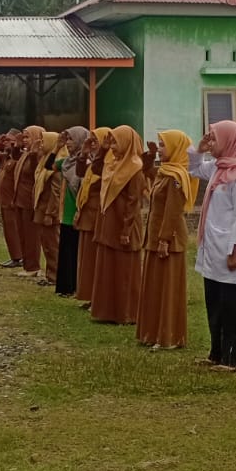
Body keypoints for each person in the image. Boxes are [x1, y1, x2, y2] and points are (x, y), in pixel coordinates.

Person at [190, 120, 236, 370]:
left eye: (215, 137)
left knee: (232, 305)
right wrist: (199, 149)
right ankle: (216, 352)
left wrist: (234, 250)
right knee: (215, 303)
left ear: (230, 140)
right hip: (213, 247)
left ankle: (235, 357)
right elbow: (194, 169)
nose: (211, 141)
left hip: (232, 250)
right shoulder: (219, 168)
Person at [137, 130, 196, 349]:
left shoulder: (176, 177)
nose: (161, 149)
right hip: (154, 237)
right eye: (160, 145)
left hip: (168, 240)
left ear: (176, 147)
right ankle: (152, 333)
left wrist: (164, 240)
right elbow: (146, 173)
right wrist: (149, 157)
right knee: (154, 286)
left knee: (168, 288)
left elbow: (173, 211)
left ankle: (169, 337)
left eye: (163, 145)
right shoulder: (164, 172)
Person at [89, 126, 145, 325]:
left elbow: (133, 202)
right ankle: (107, 311)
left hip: (123, 224)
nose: (112, 147)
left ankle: (127, 313)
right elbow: (95, 169)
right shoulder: (112, 163)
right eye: (110, 142)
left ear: (126, 143)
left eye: (115, 142)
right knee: (108, 267)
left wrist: (126, 230)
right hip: (108, 221)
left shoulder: (135, 168)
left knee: (124, 270)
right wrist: (102, 150)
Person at [73, 128, 110, 305]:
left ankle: (97, 297)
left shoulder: (108, 163)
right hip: (86, 214)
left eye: (96, 140)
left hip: (97, 216)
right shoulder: (93, 161)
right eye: (91, 140)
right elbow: (80, 173)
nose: (93, 143)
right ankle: (89, 295)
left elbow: (98, 172)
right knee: (86, 259)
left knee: (95, 259)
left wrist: (101, 152)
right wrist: (84, 153)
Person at [55, 127, 90, 297]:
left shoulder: (87, 163)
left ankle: (75, 287)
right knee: (65, 251)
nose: (68, 143)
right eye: (67, 140)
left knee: (75, 252)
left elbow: (83, 189)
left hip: (77, 212)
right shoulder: (66, 162)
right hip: (66, 213)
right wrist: (57, 147)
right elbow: (48, 166)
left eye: (71, 140)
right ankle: (65, 287)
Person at [31, 131, 63, 287]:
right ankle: (51, 275)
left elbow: (56, 193)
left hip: (49, 212)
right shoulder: (44, 162)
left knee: (53, 245)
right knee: (47, 245)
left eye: (44, 142)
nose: (41, 144)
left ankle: (56, 276)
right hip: (42, 209)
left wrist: (50, 213)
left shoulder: (56, 166)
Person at [13, 125, 45, 279]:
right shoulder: (25, 154)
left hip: (29, 201)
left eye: (27, 137)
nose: (25, 140)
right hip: (19, 200)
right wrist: (17, 146)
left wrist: (33, 154)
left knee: (31, 235)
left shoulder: (38, 155)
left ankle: (33, 266)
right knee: (22, 234)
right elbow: (14, 158)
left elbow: (35, 172)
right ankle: (27, 264)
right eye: (23, 137)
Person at [0, 129, 23, 268]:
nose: (6, 143)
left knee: (15, 230)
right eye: (6, 140)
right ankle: (14, 256)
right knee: (8, 231)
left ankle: (19, 257)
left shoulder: (18, 157)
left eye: (10, 140)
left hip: (12, 201)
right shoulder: (5, 157)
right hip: (4, 200)